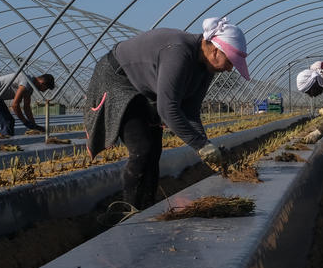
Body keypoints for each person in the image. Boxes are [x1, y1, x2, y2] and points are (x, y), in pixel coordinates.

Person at [84, 17, 250, 210]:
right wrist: (199, 145)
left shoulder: (206, 68)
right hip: (118, 80)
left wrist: (205, 144)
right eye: (230, 62)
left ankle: (146, 205)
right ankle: (129, 209)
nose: (230, 69)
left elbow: (190, 111)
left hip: (143, 88)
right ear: (215, 51)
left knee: (154, 150)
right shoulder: (178, 53)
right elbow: (167, 108)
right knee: (143, 148)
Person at [0, 72, 55, 136]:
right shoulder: (26, 81)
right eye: (46, 88)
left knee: (8, 121)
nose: (44, 91)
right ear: (42, 83)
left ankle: (6, 142)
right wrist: (25, 122)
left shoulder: (30, 88)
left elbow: (26, 107)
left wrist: (33, 125)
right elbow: (15, 105)